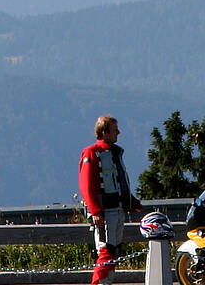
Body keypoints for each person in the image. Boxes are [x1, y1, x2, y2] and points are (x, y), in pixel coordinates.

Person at [79, 115, 143, 284]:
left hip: (118, 209)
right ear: (105, 132)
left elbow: (119, 182)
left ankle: (107, 282)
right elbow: (86, 186)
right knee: (106, 251)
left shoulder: (114, 153)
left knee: (114, 251)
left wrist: (132, 202)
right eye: (115, 130)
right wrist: (96, 211)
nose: (118, 133)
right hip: (105, 213)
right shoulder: (91, 153)